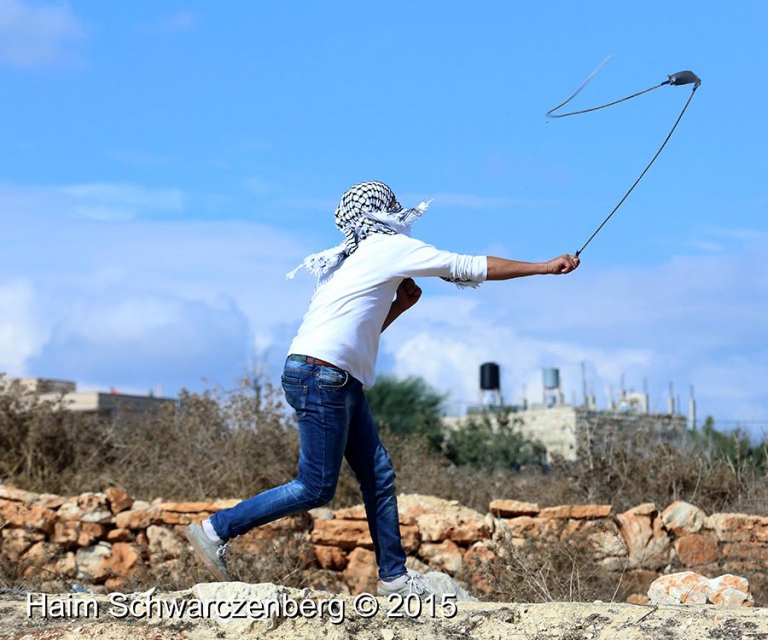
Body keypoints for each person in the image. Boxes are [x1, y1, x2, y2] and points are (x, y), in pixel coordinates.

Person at [185, 180, 580, 597]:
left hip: (328, 373)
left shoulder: (349, 258)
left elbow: (358, 330)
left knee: (378, 475)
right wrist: (541, 267)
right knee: (315, 487)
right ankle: (216, 529)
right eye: (394, 205)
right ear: (385, 211)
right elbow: (467, 266)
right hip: (324, 375)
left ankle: (394, 578)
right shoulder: (386, 247)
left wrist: (399, 306)